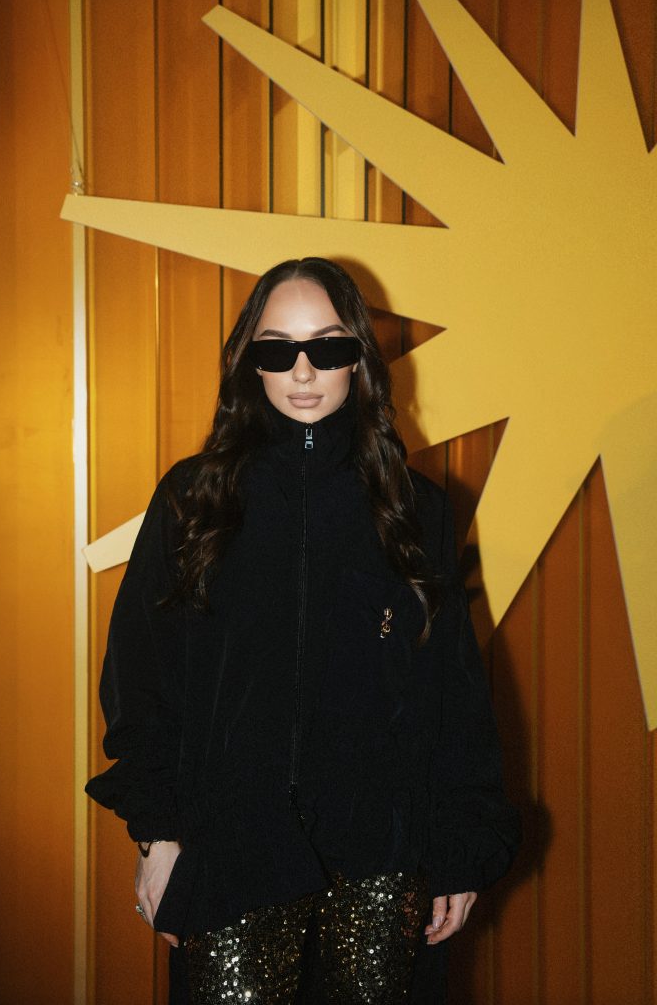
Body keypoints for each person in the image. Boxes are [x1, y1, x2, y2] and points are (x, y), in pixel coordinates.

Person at [86, 258, 521, 1003]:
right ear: (248, 362)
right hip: (231, 857)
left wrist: (460, 849)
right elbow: (140, 681)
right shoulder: (194, 499)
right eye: (277, 349)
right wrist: (158, 836)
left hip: (383, 865)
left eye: (328, 345)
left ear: (360, 358)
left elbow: (452, 696)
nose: (303, 371)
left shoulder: (415, 508)